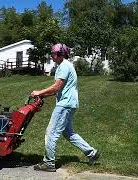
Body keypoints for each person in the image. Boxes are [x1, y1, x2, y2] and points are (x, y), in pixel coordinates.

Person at [31, 43, 100, 172]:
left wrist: (39, 92)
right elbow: (59, 89)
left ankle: (49, 163)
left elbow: (57, 87)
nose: (51, 55)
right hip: (70, 104)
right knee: (69, 133)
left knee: (50, 133)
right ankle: (91, 153)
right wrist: (44, 96)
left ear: (59, 54)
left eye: (53, 53)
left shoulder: (63, 66)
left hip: (65, 105)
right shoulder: (66, 66)